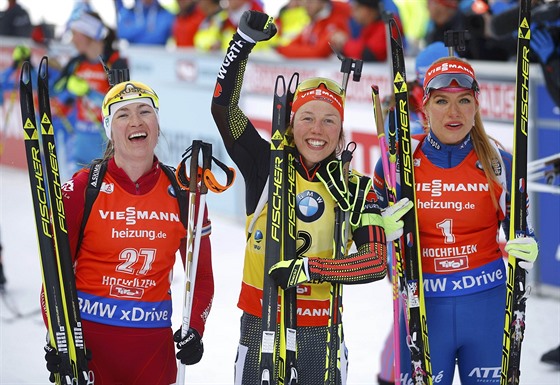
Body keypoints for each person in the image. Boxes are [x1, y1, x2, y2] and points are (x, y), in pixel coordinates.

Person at [211, 10, 412, 385]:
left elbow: (372, 264)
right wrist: (241, 45)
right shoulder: (265, 163)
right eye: (306, 117)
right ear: (290, 123)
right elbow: (224, 110)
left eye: (329, 120)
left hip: (321, 328)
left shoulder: (357, 186)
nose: (317, 130)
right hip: (261, 321)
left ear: (341, 131)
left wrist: (310, 269)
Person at [373, 56, 539, 385]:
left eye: (464, 100)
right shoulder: (397, 164)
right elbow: (371, 238)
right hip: (423, 308)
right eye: (442, 101)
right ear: (425, 106)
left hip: (487, 307)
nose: (454, 113)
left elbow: (519, 231)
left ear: (476, 104)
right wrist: (379, 230)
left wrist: (526, 242)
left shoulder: (499, 163)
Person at [42, 80, 214, 384]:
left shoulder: (185, 193)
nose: (136, 121)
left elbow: (201, 279)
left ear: (157, 124)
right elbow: (52, 276)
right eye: (123, 115)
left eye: (145, 111)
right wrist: (58, 337)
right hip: (89, 351)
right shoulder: (82, 189)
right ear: (109, 129)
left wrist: (195, 330)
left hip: (153, 355)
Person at [51, 11, 128, 180]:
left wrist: (89, 92)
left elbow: (123, 105)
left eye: (75, 34)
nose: (72, 40)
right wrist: (67, 91)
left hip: (106, 144)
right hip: (80, 142)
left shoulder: (115, 61)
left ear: (88, 34)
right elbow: (55, 93)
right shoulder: (76, 62)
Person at [330, 0, 402, 62]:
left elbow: (370, 54)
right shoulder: (370, 26)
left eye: (356, 9)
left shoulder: (387, 25)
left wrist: (344, 44)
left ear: (367, 10)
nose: (352, 14)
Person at [276, 0, 351, 58]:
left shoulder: (334, 22)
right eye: (304, 1)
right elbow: (291, 44)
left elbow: (318, 53)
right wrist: (280, 49)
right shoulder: (313, 22)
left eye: (310, 1)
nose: (306, 5)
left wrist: (281, 50)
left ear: (322, 2)